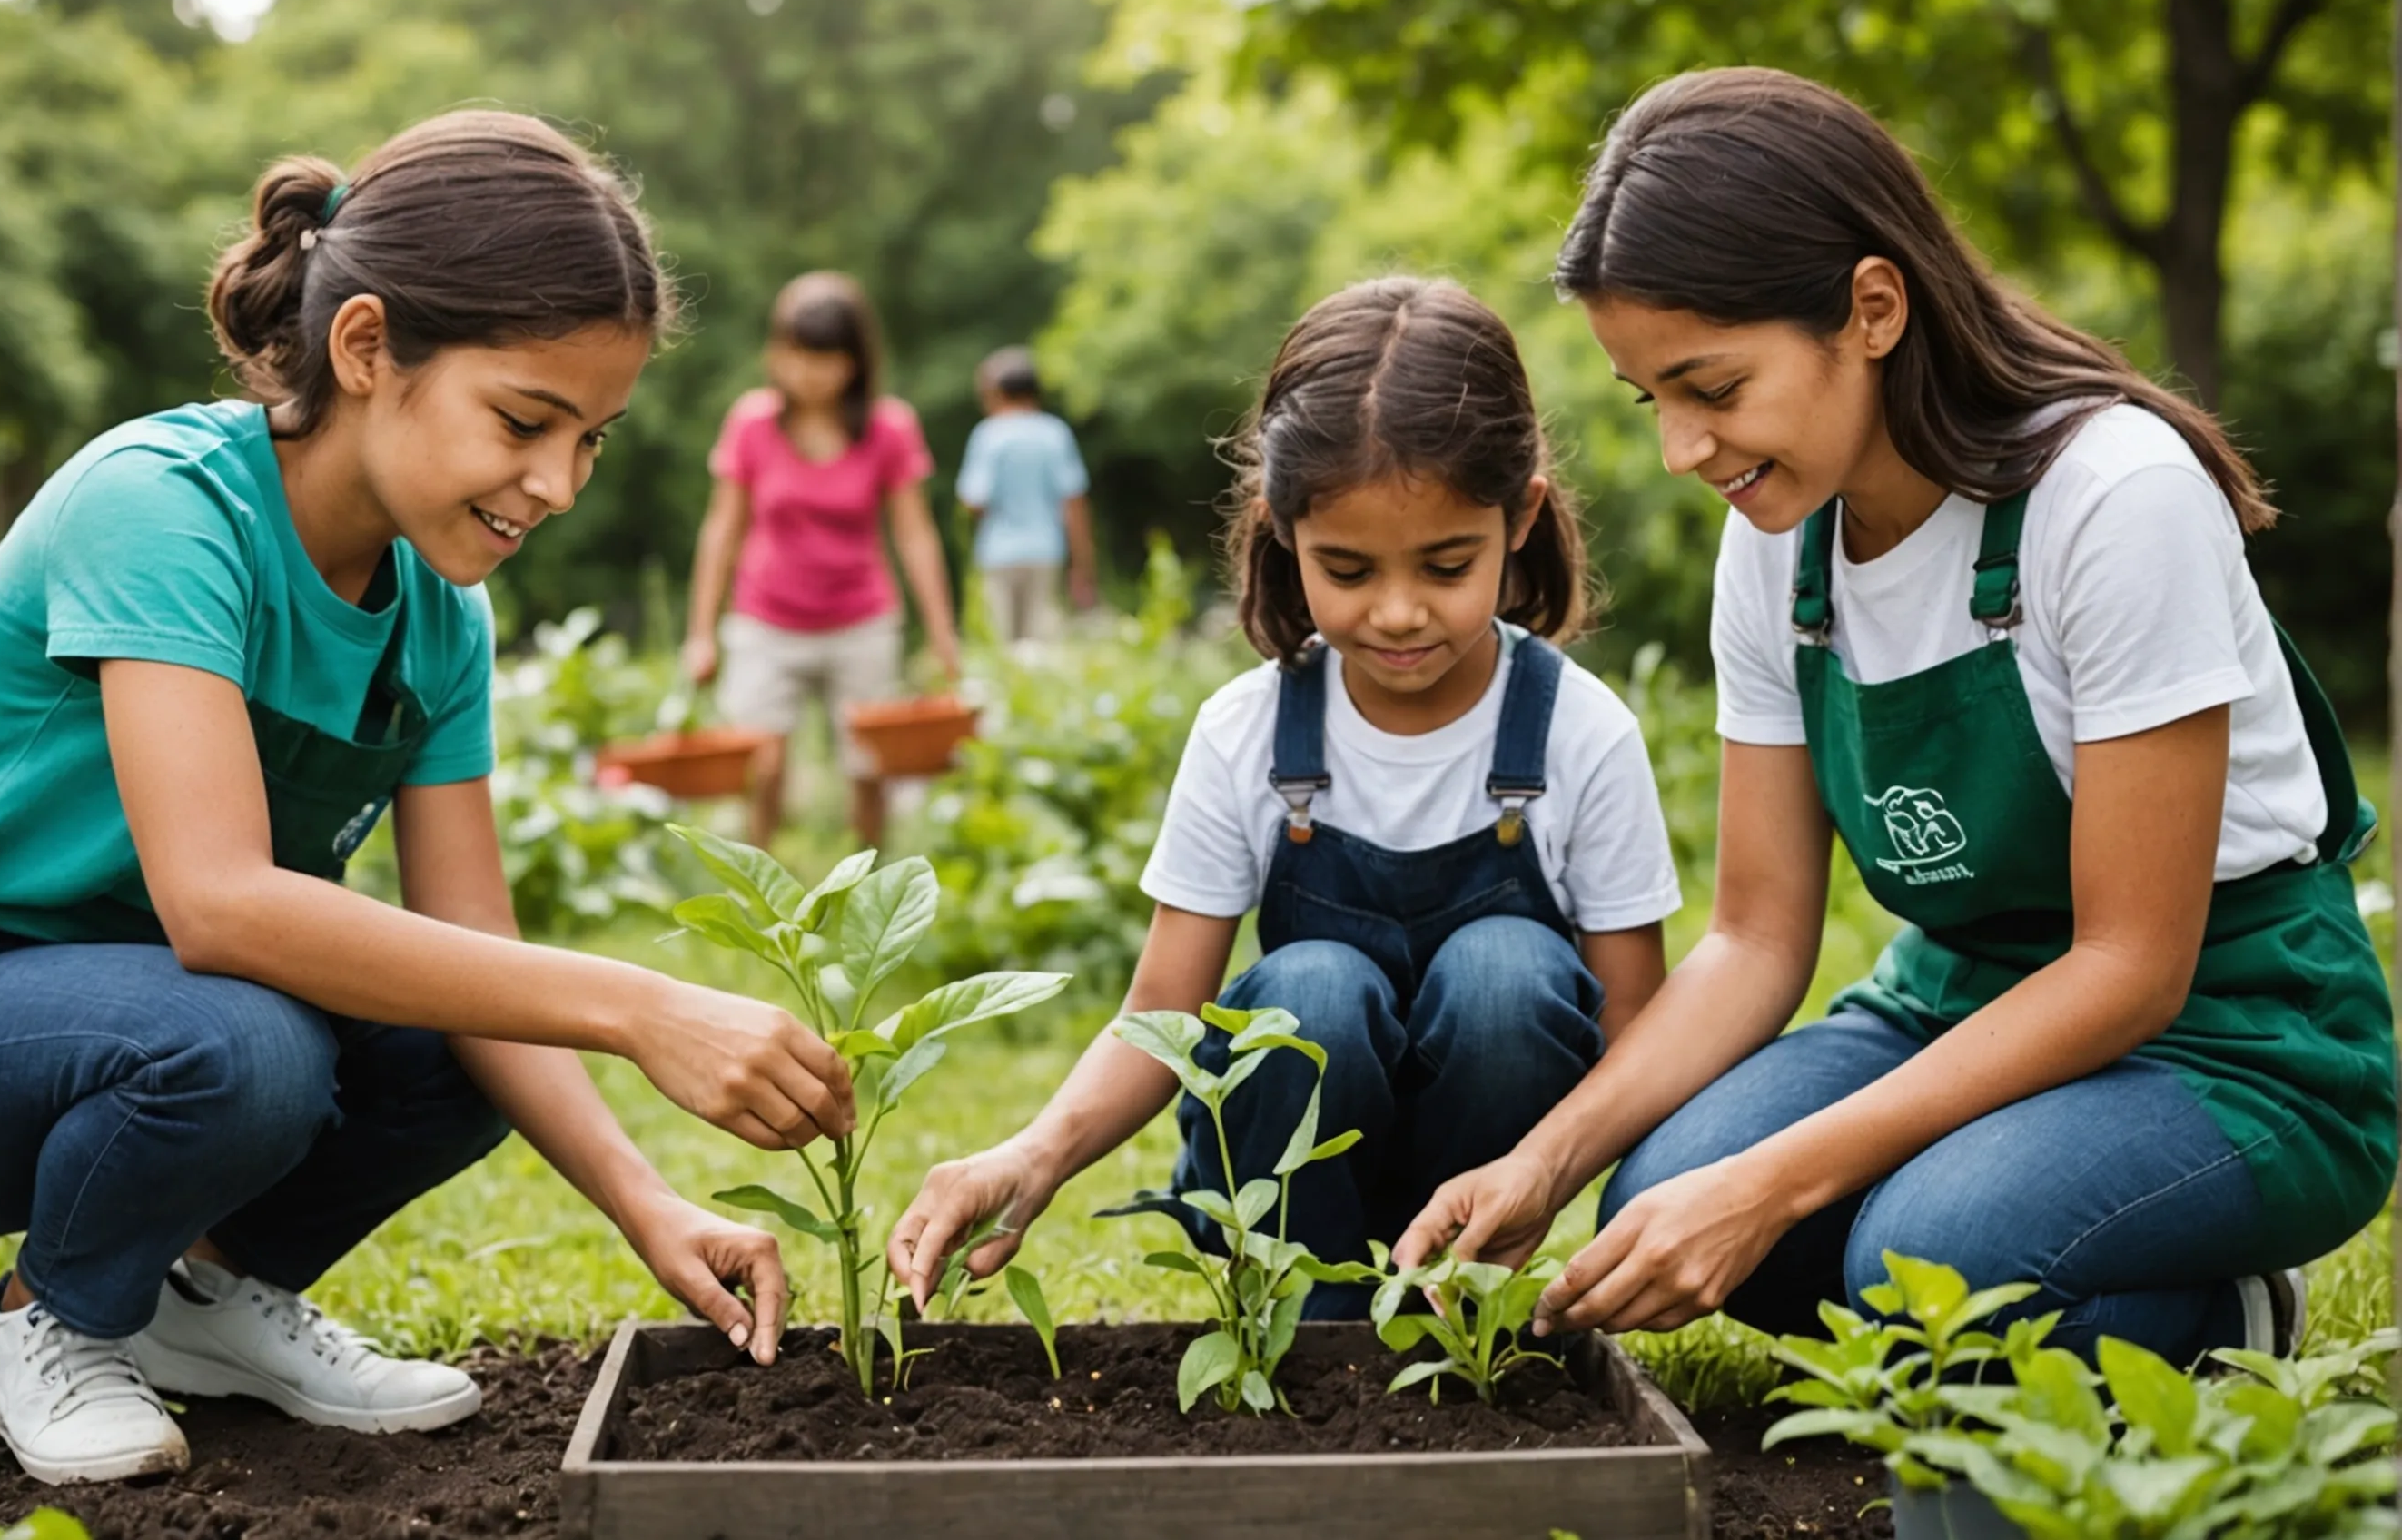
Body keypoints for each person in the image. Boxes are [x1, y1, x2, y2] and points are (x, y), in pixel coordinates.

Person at [0, 114, 855, 1487]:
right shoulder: (162, 508)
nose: (559, 482)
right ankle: (51, 1315)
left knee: (465, 1022)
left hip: (158, 1007)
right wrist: (644, 1003)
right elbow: (220, 904)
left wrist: (648, 1204)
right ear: (365, 349)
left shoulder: (438, 615)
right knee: (246, 1043)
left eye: (592, 436)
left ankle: (198, 1300)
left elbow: (479, 944)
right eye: (526, 421)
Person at [1399, 68, 2397, 1363]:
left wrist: (1775, 1181)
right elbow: (1756, 935)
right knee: (1663, 1189)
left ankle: (2224, 1309)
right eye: (1655, 401)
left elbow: (2130, 965)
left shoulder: (2113, 496)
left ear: (1872, 307)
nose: (1683, 452)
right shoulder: (1776, 539)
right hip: (1955, 995)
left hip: (2239, 1032)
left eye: (1715, 387)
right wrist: (1541, 1159)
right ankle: (2110, 1298)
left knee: (1923, 1249)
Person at [885, 278, 1681, 1320]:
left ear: (1521, 514)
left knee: (1509, 973)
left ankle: (1464, 1302)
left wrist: (1571, 1185)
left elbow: (1631, 1017)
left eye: (1447, 564)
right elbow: (1160, 1012)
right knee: (1311, 990)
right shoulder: (1249, 731)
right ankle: (1308, 1323)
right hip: (1292, 1187)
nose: (1397, 612)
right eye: (1346, 568)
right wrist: (1034, 1155)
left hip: (1497, 1187)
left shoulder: (1579, 731)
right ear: (1281, 529)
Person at [680, 272, 962, 849]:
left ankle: (870, 893)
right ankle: (759, 903)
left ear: (855, 362)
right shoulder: (752, 423)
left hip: (860, 621)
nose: (810, 374)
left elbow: (915, 536)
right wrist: (700, 632)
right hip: (766, 621)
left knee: (869, 770)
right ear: (777, 354)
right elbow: (721, 531)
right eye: (798, 357)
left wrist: (942, 634)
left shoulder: (889, 429)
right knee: (763, 769)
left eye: (826, 360)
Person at [957, 344, 1096, 644]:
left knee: (1001, 643)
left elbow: (973, 500)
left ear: (997, 391)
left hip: (998, 553)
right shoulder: (1054, 433)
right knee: (1040, 646)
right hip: (1045, 550)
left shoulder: (989, 434)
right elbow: (1074, 503)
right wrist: (1082, 565)